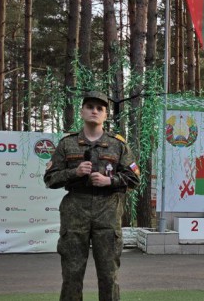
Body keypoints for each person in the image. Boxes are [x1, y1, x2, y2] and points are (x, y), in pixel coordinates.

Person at [44, 91, 141, 301]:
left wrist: (110, 181)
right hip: (75, 211)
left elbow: (134, 178)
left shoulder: (118, 145)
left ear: (105, 115)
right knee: (72, 273)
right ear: (82, 111)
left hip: (108, 211)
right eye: (90, 107)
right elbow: (50, 179)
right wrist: (74, 172)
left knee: (108, 274)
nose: (94, 111)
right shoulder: (67, 144)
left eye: (100, 108)